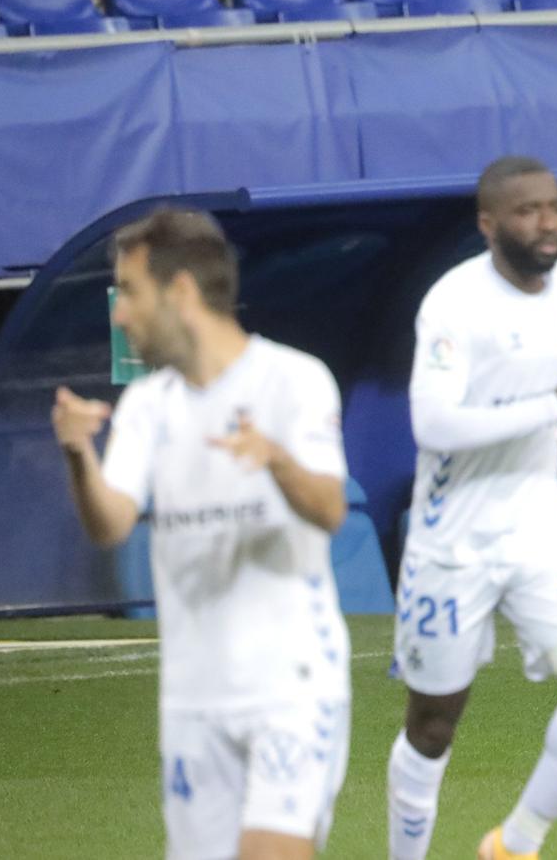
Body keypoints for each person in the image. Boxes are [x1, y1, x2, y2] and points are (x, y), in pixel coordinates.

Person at [51, 208, 352, 860]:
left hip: (291, 683)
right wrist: (79, 454)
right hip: (193, 698)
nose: (120, 314)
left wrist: (275, 458)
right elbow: (112, 522)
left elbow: (330, 509)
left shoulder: (293, 380)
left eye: (128, 292)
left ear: (181, 291)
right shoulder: (148, 405)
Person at [385, 156, 557, 860]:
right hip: (452, 535)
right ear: (488, 224)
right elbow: (433, 425)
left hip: (537, 526)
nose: (546, 222)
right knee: (433, 725)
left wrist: (551, 441)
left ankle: (515, 843)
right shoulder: (453, 306)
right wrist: (551, 411)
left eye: (553, 206)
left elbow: (526, 392)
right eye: (526, 210)